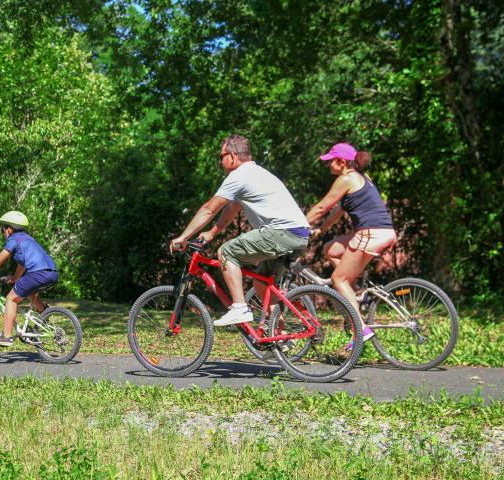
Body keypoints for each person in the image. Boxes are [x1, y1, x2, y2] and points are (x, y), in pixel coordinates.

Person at [170, 134, 310, 326]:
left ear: (232, 156)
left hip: (281, 232)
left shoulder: (239, 175)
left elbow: (209, 209)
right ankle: (281, 336)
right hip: (298, 234)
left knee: (225, 252)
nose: (221, 161)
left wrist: (184, 237)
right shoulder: (258, 173)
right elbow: (233, 207)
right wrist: (211, 233)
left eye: (221, 157)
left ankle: (239, 308)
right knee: (262, 283)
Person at [306, 143, 396, 349]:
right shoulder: (361, 178)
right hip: (381, 231)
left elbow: (321, 207)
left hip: (369, 233)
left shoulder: (346, 178)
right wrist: (320, 229)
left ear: (342, 162)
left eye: (331, 160)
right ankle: (356, 294)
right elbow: (337, 211)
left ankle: (360, 329)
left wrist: (298, 224)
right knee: (331, 248)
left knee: (338, 279)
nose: (328, 164)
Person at [0, 211, 58, 347]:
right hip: (52, 273)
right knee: (27, 289)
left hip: (37, 273)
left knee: (11, 298)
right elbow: (22, 263)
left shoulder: (13, 239)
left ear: (9, 229)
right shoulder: (28, 239)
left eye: (3, 229)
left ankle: (6, 337)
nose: (3, 233)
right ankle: (44, 312)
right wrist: (14, 278)